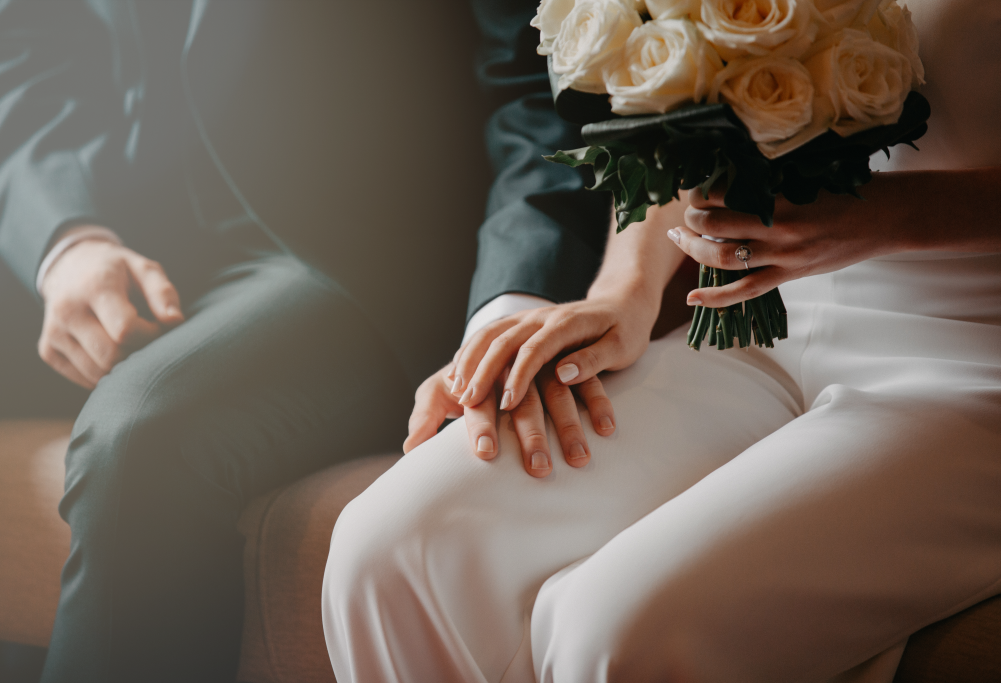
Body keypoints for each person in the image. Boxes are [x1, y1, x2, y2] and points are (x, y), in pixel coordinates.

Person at [321, 0, 1001, 681]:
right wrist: (624, 294)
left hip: (974, 366)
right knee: (388, 547)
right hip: (765, 318)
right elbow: (694, 82)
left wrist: (887, 218)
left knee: (615, 635)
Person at [0, 1, 562, 681]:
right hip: (115, 211)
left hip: (349, 251)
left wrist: (509, 303)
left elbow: (533, 88)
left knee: (140, 440)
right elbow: (15, 45)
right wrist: (65, 242)